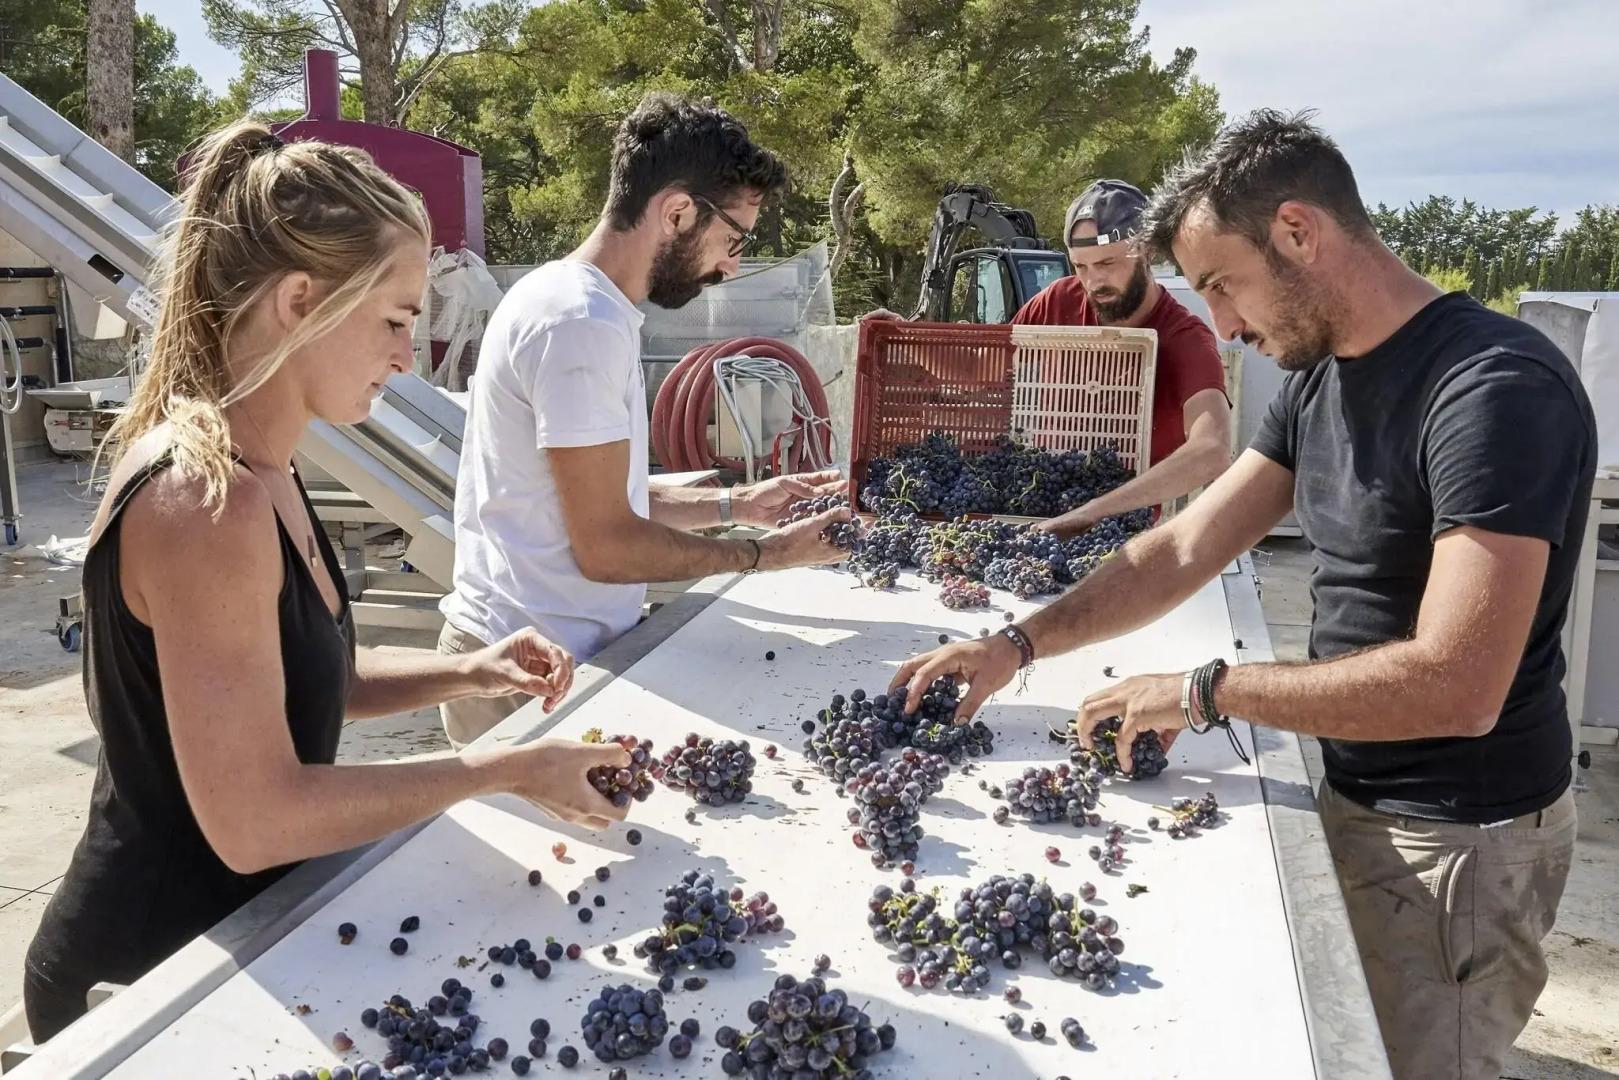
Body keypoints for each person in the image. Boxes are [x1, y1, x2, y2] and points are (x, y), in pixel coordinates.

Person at [891, 110, 1593, 1080]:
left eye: (1220, 284)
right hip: (1356, 793)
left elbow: (1457, 682)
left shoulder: (1490, 390)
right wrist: (1014, 646)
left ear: (1297, 234)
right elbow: (1181, 548)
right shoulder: (1321, 384)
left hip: (1456, 846)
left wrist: (1203, 692)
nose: (1219, 325)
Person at [22, 122, 633, 1044]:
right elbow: (257, 820)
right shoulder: (206, 499)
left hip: (239, 942)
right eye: (393, 320)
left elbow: (315, 684)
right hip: (145, 984)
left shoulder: (267, 468)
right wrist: (502, 768)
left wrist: (472, 673)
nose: (406, 356)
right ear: (301, 301)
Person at [438, 92, 850, 749]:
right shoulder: (580, 324)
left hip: (542, 661)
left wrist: (740, 503)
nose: (731, 265)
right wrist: (765, 556)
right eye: (732, 239)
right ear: (677, 211)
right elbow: (606, 545)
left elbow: (602, 500)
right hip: (523, 678)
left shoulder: (574, 304)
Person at [1012, 179, 1233, 537]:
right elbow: (979, 369)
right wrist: (898, 338)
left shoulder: (1183, 338)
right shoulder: (1057, 302)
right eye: (1080, 267)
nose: (1093, 281)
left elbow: (1212, 449)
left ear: (1146, 250)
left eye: (1107, 262)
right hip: (1037, 509)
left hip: (1118, 533)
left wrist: (1091, 513)